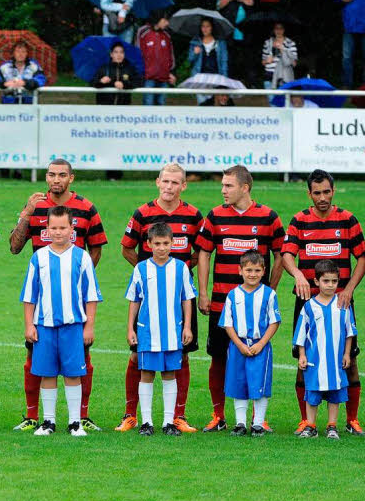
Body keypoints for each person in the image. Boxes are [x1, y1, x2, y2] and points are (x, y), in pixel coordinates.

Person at [8, 159, 107, 432]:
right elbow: (14, 247)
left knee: (79, 366)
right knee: (39, 365)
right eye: (51, 174)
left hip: (73, 312)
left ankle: (79, 418)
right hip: (44, 311)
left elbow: (97, 249)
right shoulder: (36, 207)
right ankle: (36, 417)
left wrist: (71, 277)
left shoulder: (87, 208)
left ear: (71, 178)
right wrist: (26, 213)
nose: (56, 179)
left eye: (62, 175)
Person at [195, 165, 285, 433]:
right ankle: (219, 416)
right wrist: (203, 292)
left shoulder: (269, 217)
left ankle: (258, 418)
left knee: (257, 358)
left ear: (244, 188)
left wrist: (270, 289)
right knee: (219, 359)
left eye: (228, 186)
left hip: (257, 310)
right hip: (222, 303)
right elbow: (203, 253)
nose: (223, 190)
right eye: (222, 185)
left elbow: (281, 254)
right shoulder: (215, 216)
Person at [281, 169, 365, 435]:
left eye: (326, 192)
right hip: (308, 302)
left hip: (340, 303)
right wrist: (298, 274)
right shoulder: (299, 220)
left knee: (349, 360)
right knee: (303, 361)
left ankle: (351, 420)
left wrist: (349, 289)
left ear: (334, 190)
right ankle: (306, 421)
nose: (322, 197)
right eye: (317, 193)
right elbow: (287, 254)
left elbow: (363, 257)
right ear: (309, 193)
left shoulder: (347, 219)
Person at [119, 164, 203, 433]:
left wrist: (176, 273)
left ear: (183, 185)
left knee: (182, 358)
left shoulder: (193, 216)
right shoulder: (142, 213)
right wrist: (148, 270)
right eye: (165, 181)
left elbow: (201, 252)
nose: (169, 187)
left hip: (179, 299)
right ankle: (132, 415)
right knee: (138, 360)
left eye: (175, 182)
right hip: (149, 306)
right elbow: (126, 248)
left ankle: (177, 416)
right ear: (157, 182)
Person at [21, 206, 103, 437]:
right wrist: (29, 325)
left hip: (73, 326)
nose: (58, 232)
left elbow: (91, 296)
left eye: (63, 227)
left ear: (72, 229)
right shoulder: (39, 257)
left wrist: (89, 326)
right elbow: (29, 296)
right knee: (47, 373)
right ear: (46, 229)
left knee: (73, 373)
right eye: (53, 228)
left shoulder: (82, 256)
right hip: (44, 326)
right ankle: (48, 421)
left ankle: (75, 422)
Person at [125, 222, 196, 436]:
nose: (162, 248)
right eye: (157, 243)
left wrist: (188, 327)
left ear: (173, 243)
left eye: (166, 243)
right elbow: (134, 300)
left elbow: (187, 299)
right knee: (146, 373)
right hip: (148, 332)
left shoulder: (180, 268)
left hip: (173, 332)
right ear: (148, 244)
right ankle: (146, 422)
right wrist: (130, 328)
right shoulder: (141, 268)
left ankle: (168, 422)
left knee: (169, 374)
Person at [293, 260, 357, 440]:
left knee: (335, 394)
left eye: (334, 281)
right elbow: (301, 334)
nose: (330, 285)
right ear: (316, 281)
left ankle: (332, 426)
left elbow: (349, 332)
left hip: (336, 360)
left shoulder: (343, 304)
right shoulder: (309, 306)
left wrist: (346, 353)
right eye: (326, 281)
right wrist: (302, 355)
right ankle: (311, 426)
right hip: (315, 360)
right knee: (312, 392)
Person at [220, 251, 281, 437]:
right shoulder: (232, 295)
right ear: (240, 271)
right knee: (239, 383)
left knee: (259, 384)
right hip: (238, 346)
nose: (252, 274)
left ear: (263, 271)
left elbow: (274, 321)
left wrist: (261, 344)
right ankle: (240, 423)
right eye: (248, 270)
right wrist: (239, 344)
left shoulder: (269, 294)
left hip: (259, 347)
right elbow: (227, 323)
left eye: (256, 270)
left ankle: (258, 423)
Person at [215, 0, 258, 82]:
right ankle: (230, 82)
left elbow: (252, 2)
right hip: (229, 29)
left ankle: (248, 83)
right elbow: (219, 5)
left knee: (247, 57)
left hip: (247, 29)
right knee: (230, 58)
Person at [137, 10, 175, 105]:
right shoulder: (143, 32)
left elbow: (171, 55)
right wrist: (141, 72)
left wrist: (171, 72)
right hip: (148, 76)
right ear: (158, 19)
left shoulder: (167, 35)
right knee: (148, 104)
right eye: (165, 20)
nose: (167, 23)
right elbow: (137, 53)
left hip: (164, 77)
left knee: (161, 104)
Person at [0, 40, 46, 104]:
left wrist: (25, 83)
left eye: (23, 51)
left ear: (27, 53)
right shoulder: (5, 66)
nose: (20, 54)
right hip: (8, 104)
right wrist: (4, 84)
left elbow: (41, 80)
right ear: (13, 53)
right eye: (17, 51)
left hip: (29, 104)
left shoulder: (34, 66)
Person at [188, 17, 229, 103]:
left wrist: (225, 80)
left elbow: (224, 61)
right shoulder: (195, 42)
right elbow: (190, 60)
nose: (205, 29)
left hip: (216, 79)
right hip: (200, 79)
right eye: (203, 26)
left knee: (214, 105)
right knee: (202, 105)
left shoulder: (220, 43)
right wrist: (195, 53)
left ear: (212, 28)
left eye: (208, 26)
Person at [92, 41, 141, 105]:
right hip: (104, 107)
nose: (119, 55)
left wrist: (124, 85)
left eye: (121, 52)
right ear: (111, 54)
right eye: (116, 52)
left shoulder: (130, 68)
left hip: (123, 108)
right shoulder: (103, 68)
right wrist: (101, 81)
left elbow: (138, 82)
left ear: (124, 55)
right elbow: (92, 82)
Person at [261, 22, 297, 89]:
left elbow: (294, 63)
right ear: (274, 30)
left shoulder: (290, 43)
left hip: (284, 75)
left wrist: (283, 50)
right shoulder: (268, 43)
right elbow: (263, 62)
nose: (279, 31)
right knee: (271, 99)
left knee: (283, 99)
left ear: (284, 30)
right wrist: (267, 60)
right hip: (269, 74)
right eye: (276, 28)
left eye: (281, 28)